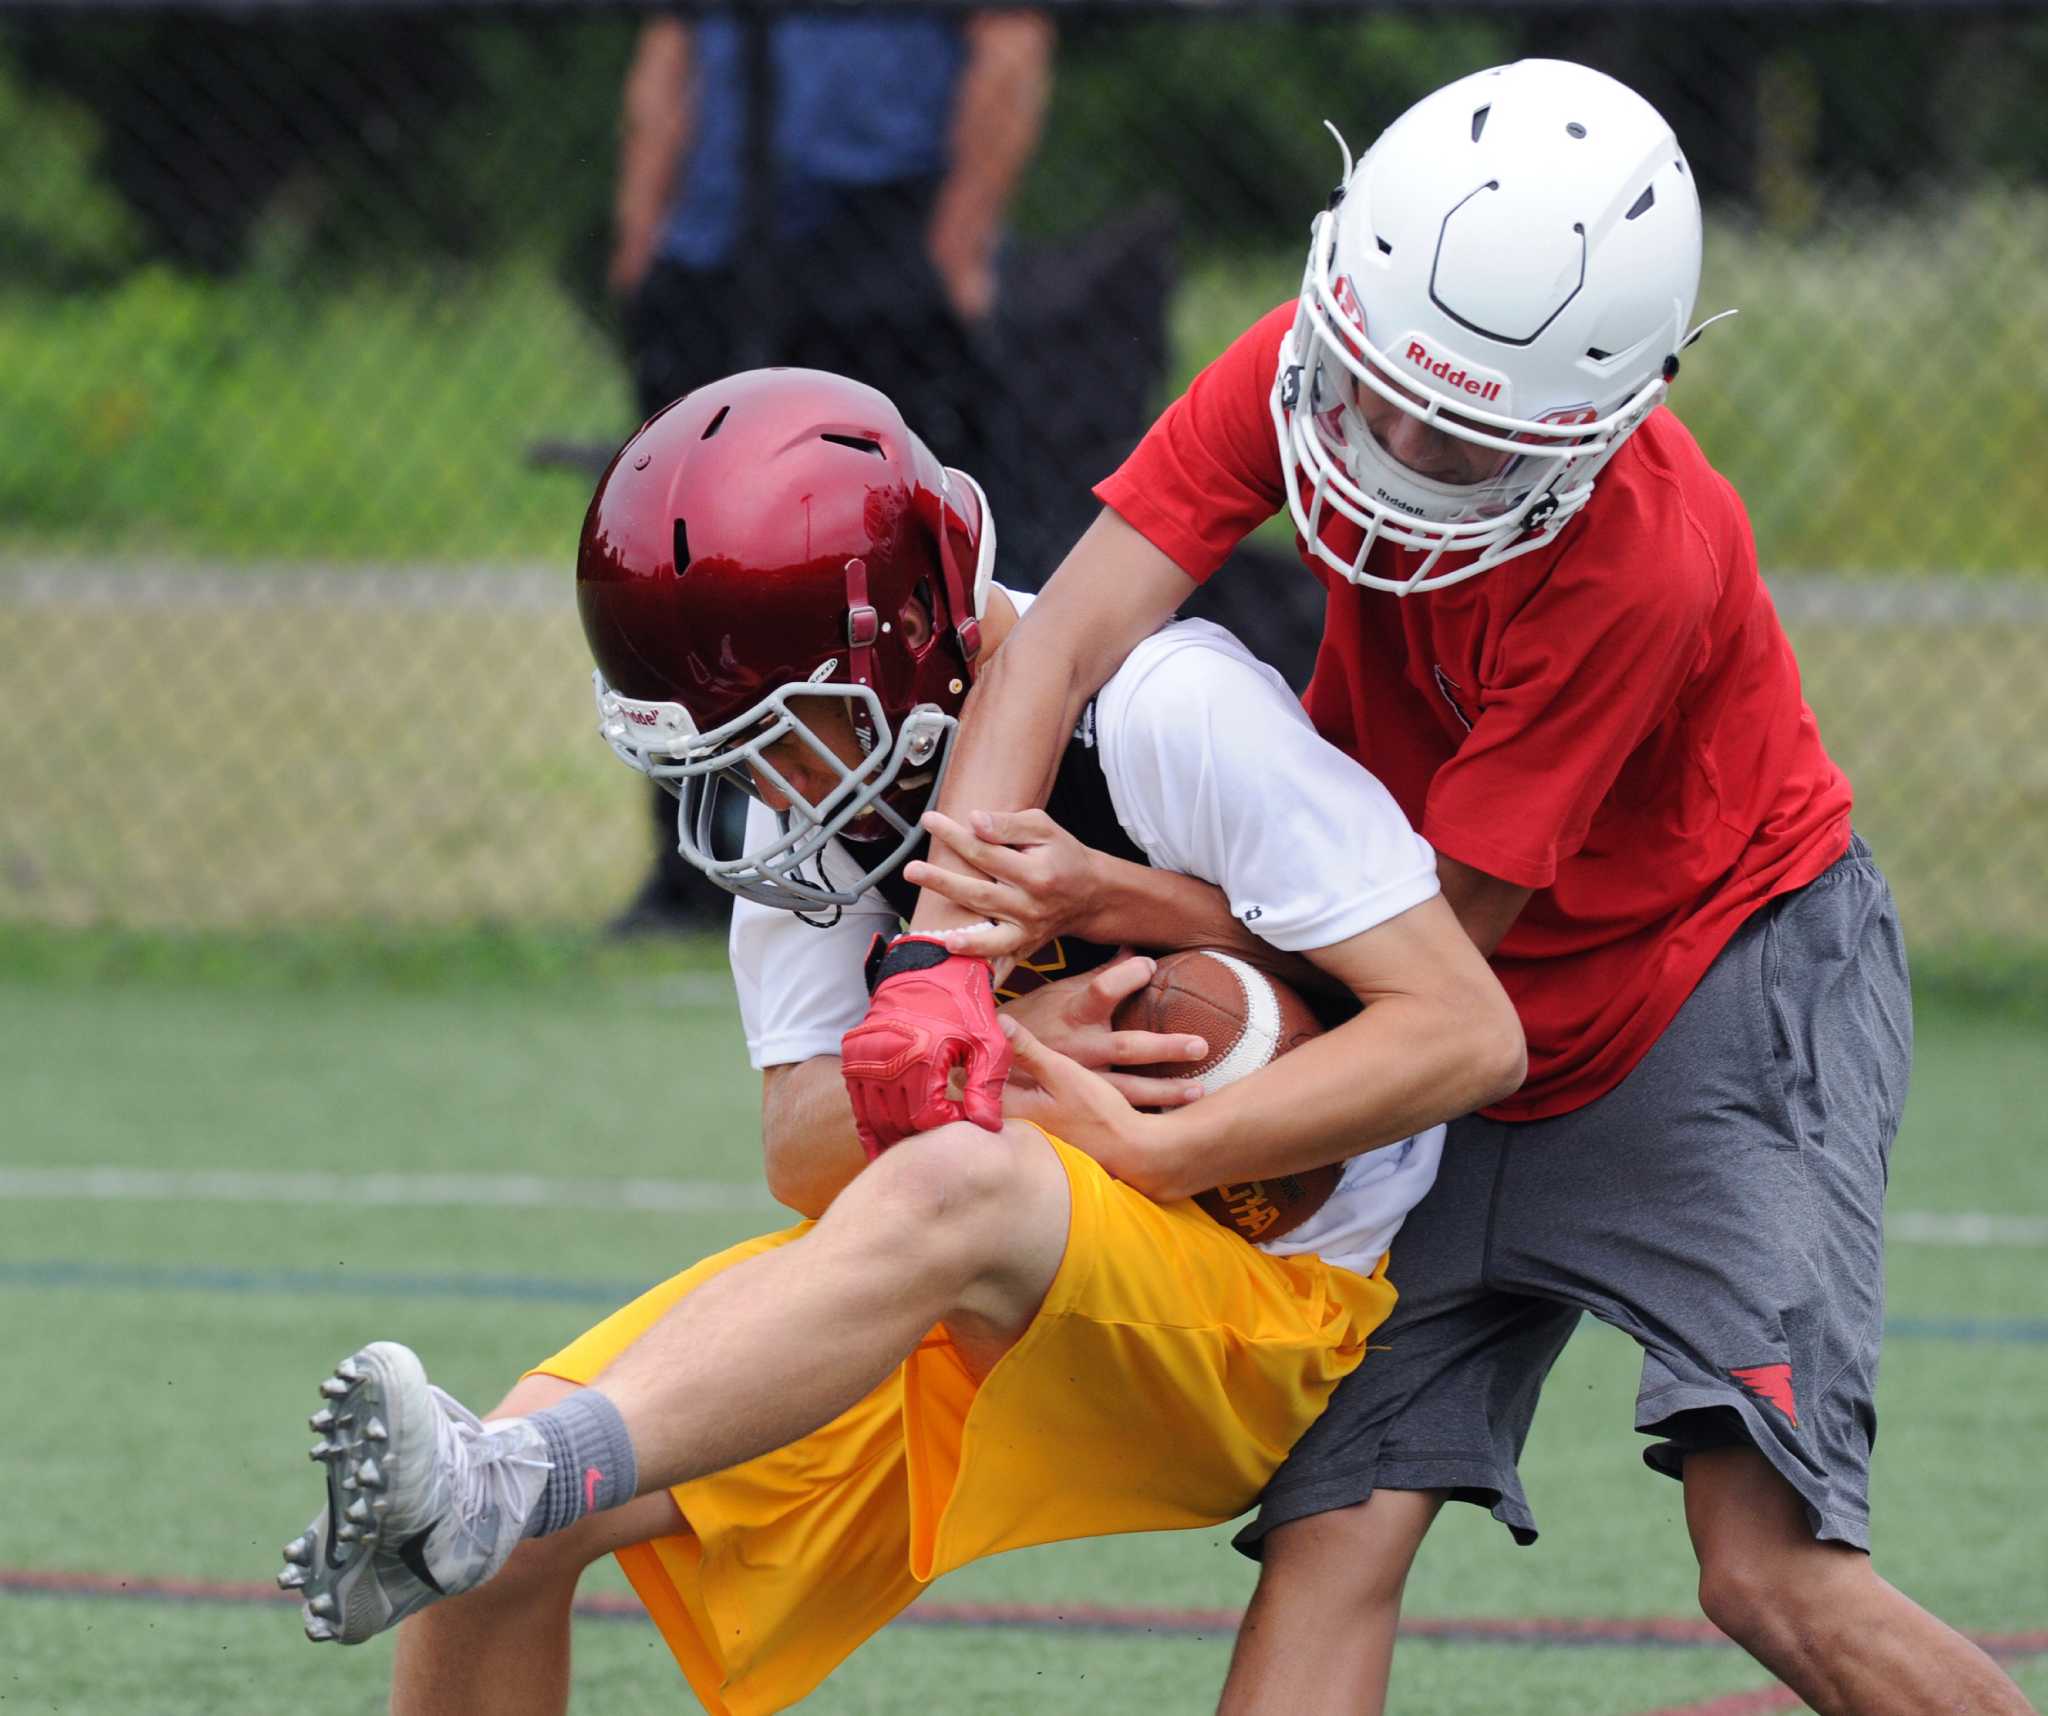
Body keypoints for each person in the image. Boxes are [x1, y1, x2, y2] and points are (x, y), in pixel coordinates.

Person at [842, 59, 2037, 1716]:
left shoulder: (1642, 551)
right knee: (1335, 1525)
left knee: (1760, 1568)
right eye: (1376, 392)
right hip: (1441, 1009)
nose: (1392, 448)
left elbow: (1439, 944)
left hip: (1701, 1000)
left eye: (1465, 436)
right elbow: (1053, 645)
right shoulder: (1301, 362)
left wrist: (1128, 938)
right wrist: (930, 964)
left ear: (1627, 403)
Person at [276, 369, 1525, 1714]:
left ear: (906, 643)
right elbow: (804, 1150)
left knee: (946, 1183)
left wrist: (1123, 1101)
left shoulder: (1168, 713)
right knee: (508, 1510)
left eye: (789, 735)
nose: (768, 787)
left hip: (1268, 1300)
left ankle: (512, 1479)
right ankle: (514, 1482)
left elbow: (1463, 1032)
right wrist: (1015, 1056)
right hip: (986, 1265)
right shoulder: (816, 810)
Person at [606, 6, 1054, 934]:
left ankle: (956, 845)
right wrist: (645, 235)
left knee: (898, 578)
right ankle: (693, 868)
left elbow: (1010, 41)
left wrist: (958, 246)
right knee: (688, 562)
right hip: (722, 235)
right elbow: (669, 47)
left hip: (880, 236)